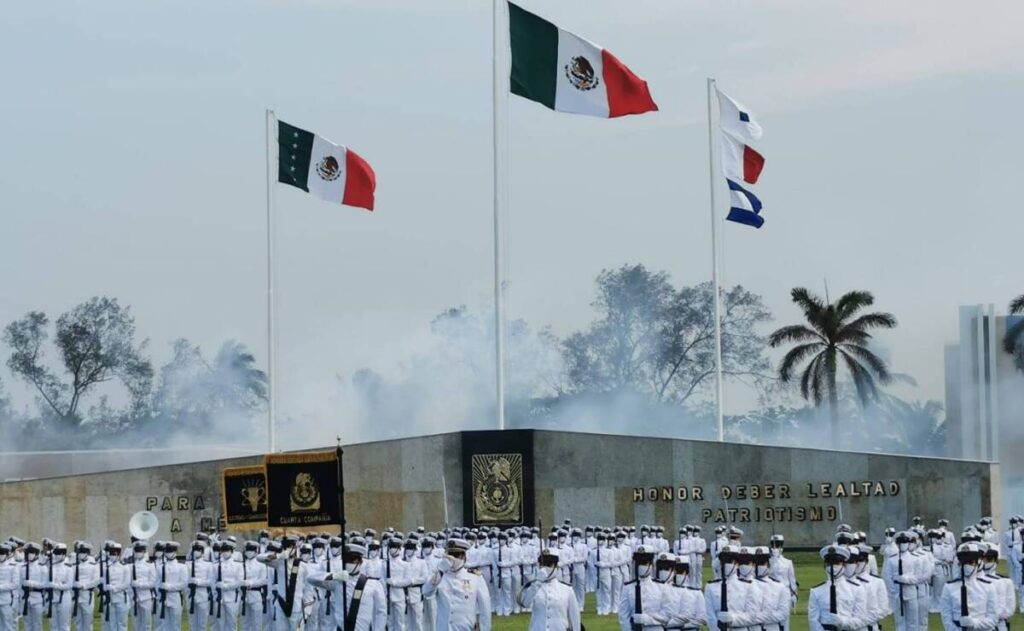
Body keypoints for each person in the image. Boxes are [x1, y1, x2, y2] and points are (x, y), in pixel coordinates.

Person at [308, 543, 387, 631]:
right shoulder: (337, 583)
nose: (348, 563)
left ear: (360, 562)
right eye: (346, 560)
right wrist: (334, 576)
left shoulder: (373, 584)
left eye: (352, 560)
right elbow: (311, 579)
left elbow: (381, 612)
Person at [422, 539, 491, 631]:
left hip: (466, 628)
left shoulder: (475, 577)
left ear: (463, 557)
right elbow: (426, 592)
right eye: (449, 555)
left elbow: (485, 608)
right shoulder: (439, 576)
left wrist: (484, 629)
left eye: (456, 555)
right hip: (443, 628)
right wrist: (441, 571)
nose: (452, 558)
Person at [516, 548, 580, 631]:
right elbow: (525, 603)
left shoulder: (567, 590)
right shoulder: (534, 587)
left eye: (549, 565)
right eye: (542, 564)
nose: (545, 568)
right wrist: (538, 582)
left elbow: (575, 618)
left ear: (556, 566)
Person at [807, 544, 868, 631]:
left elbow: (861, 619)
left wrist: (843, 623)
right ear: (825, 566)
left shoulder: (856, 589)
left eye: (837, 563)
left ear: (844, 565)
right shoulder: (816, 591)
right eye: (829, 563)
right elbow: (813, 621)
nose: (833, 566)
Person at [939, 543, 998, 631]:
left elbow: (993, 619)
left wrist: (974, 624)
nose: (967, 565)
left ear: (978, 562)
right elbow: (946, 618)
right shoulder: (948, 587)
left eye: (971, 562)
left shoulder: (988, 587)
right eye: (964, 562)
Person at [703, 544, 761, 630]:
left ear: (737, 563)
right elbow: (710, 615)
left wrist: (733, 619)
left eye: (730, 561)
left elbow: (752, 615)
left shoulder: (748, 586)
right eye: (724, 561)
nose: (726, 564)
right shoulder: (710, 587)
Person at [618, 545, 668, 631]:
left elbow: (667, 615)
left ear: (651, 564)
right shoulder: (628, 587)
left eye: (644, 563)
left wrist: (648, 620)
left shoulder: (661, 587)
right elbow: (623, 615)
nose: (641, 566)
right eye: (639, 563)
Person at [978, 544, 1014, 631]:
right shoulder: (975, 580)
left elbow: (1009, 608)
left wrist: (992, 617)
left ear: (996, 561)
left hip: (999, 624)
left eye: (989, 560)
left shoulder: (1006, 581)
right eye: (984, 559)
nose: (986, 562)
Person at [664, 556, 705, 630]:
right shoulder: (665, 590)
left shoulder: (696, 592)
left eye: (680, 571)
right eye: (675, 571)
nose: (677, 574)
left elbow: (702, 618)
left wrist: (684, 625)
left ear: (687, 572)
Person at [71, 542, 100, 631]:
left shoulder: (93, 565)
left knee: (88, 622)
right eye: (79, 552)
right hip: (76, 596)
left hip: (87, 595)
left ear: (87, 553)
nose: (81, 554)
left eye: (83, 552)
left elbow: (96, 581)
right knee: (78, 622)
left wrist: (83, 585)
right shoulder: (74, 564)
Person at [186, 540, 215, 631]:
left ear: (202, 551)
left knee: (202, 623)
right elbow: (184, 580)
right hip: (190, 595)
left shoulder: (208, 565)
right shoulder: (187, 564)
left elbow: (211, 581)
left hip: (202, 595)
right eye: (194, 549)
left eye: (198, 549)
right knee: (192, 623)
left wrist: (199, 582)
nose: (196, 551)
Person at [240, 540, 268, 631]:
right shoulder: (242, 563)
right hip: (244, 595)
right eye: (247, 550)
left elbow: (264, 580)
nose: (249, 552)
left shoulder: (261, 564)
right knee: (245, 624)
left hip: (255, 594)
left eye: (251, 550)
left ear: (256, 551)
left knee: (257, 624)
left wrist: (250, 583)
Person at [129, 540, 156, 631]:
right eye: (136, 551)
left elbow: (152, 583)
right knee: (135, 624)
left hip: (146, 597)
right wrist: (131, 595)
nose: (138, 553)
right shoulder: (130, 566)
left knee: (147, 624)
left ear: (144, 551)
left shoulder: (150, 566)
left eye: (140, 551)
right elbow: (127, 583)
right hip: (134, 597)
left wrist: (139, 585)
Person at [767, 535, 797, 608]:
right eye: (774, 545)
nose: (776, 547)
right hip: (771, 592)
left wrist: (794, 594)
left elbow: (792, 580)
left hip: (785, 593)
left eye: (778, 545)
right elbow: (767, 574)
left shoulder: (788, 562)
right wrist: (773, 560)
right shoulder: (767, 562)